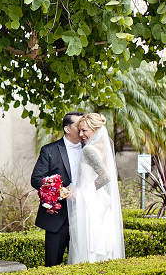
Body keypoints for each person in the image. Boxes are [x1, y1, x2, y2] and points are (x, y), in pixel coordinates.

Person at [67, 113, 125, 264]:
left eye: (84, 130)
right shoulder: (103, 148)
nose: (81, 134)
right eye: (79, 130)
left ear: (96, 129)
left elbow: (105, 177)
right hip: (99, 202)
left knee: (88, 244)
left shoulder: (89, 150)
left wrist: (80, 192)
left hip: (90, 204)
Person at [30, 111, 84, 266]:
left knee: (83, 265)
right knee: (52, 265)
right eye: (78, 125)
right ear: (67, 129)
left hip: (84, 215)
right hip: (57, 218)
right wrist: (62, 191)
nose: (82, 129)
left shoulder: (90, 149)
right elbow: (36, 180)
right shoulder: (50, 150)